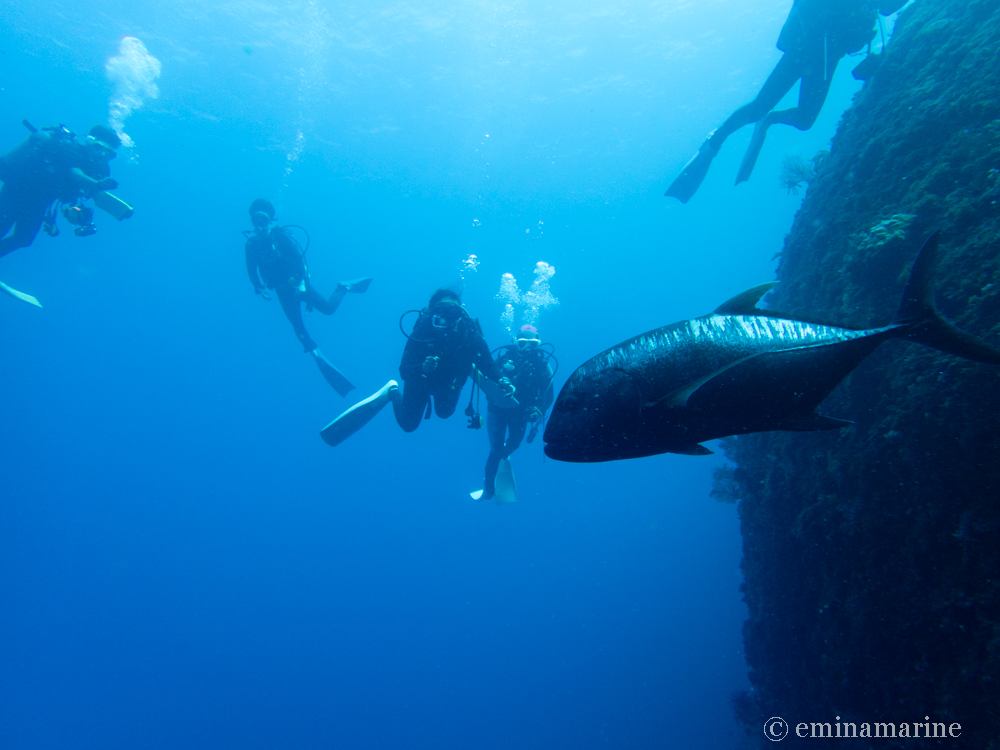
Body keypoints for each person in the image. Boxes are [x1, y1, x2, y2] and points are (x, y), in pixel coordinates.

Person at [665, 0, 907, 203]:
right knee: (758, 106)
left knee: (805, 120)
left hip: (829, 56)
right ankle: (715, 141)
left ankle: (770, 119)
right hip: (804, 47)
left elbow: (888, 8)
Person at [320, 288, 513, 446]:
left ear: (460, 313)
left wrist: (501, 380)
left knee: (444, 413)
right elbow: (404, 370)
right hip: (420, 381)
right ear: (432, 312)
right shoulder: (423, 330)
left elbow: (488, 365)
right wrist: (422, 366)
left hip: (450, 382)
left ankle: (468, 364)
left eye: (453, 312)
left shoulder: (470, 333)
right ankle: (391, 391)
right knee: (408, 425)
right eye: (440, 312)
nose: (447, 318)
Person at [244, 198, 371, 396]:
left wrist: (302, 283)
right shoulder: (251, 245)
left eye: (262, 219)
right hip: (281, 291)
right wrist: (258, 287)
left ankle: (343, 287)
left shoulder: (281, 238)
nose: (259, 224)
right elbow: (251, 269)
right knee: (298, 329)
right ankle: (314, 352)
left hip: (298, 285)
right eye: (255, 220)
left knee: (328, 309)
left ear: (269, 220)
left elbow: (300, 261)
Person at [0, 122, 120, 258]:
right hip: (19, 189)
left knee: (23, 239)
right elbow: (75, 174)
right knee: (3, 226)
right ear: (89, 141)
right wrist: (97, 184)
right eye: (98, 148)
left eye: (109, 154)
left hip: (41, 201)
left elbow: (80, 193)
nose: (102, 154)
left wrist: (83, 218)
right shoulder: (70, 149)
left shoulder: (100, 169)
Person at [476, 324, 555, 502]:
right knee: (495, 451)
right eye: (522, 343)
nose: (527, 347)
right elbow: (488, 381)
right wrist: (511, 377)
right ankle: (488, 489)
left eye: (532, 344)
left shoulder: (543, 366)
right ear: (515, 342)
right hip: (498, 410)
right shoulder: (504, 359)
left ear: (539, 344)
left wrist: (538, 410)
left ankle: (502, 457)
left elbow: (548, 396)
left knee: (514, 444)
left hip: (520, 412)